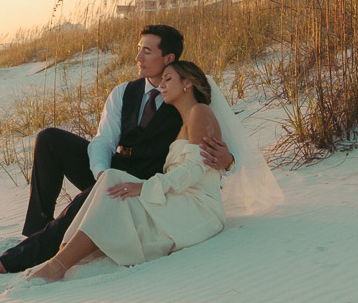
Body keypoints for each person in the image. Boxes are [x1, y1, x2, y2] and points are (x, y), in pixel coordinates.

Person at [0, 24, 236, 279]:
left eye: (147, 51)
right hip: (113, 169)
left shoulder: (186, 96)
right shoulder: (122, 92)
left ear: (168, 58)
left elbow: (213, 150)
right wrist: (101, 173)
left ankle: (7, 263)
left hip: (147, 182)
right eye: (138, 48)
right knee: (49, 139)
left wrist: (229, 161)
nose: (138, 56)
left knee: (97, 196)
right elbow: (103, 141)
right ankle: (36, 232)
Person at [26, 60, 224, 281]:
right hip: (179, 197)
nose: (162, 86)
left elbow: (195, 169)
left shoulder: (199, 112)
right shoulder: (184, 119)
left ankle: (58, 263)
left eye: (168, 79)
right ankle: (62, 255)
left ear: (187, 83)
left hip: (198, 208)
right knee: (112, 180)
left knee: (115, 185)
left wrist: (144, 187)